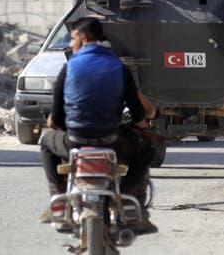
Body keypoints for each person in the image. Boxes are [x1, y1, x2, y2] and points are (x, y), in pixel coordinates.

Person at [40, 17, 158, 233]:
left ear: (84, 39)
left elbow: (55, 120)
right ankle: (131, 199)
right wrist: (141, 124)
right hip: (112, 142)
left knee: (47, 142)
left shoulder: (69, 67)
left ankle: (57, 199)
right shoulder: (119, 67)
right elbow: (139, 115)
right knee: (146, 147)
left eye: (73, 39)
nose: (71, 44)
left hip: (74, 141)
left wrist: (54, 122)